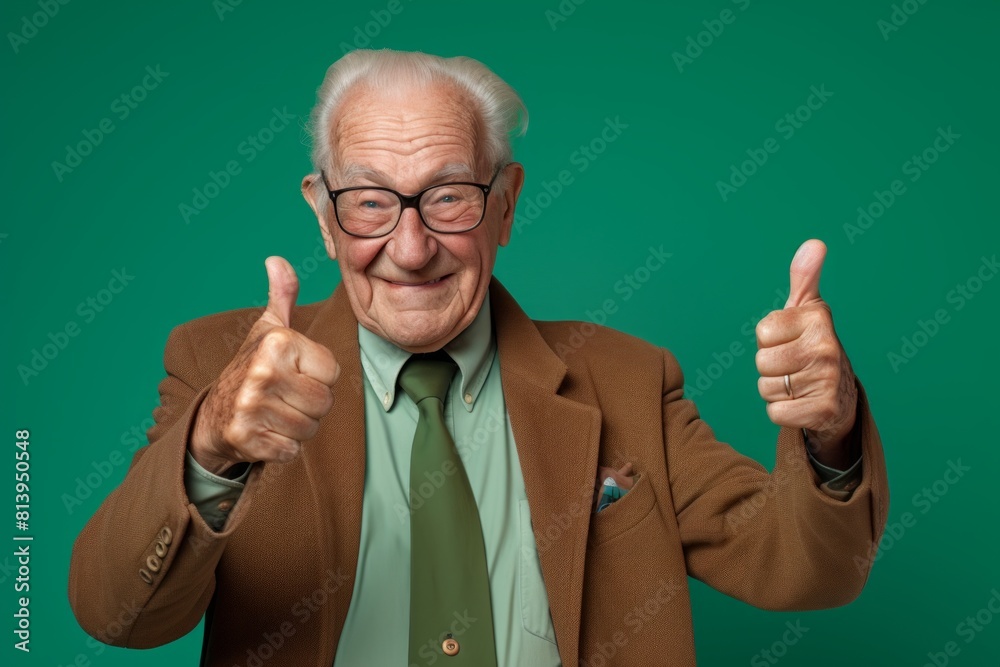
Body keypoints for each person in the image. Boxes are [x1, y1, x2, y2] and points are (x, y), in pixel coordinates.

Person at [68, 49, 888, 667]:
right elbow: (118, 615)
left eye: (449, 195)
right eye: (370, 201)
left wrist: (833, 428)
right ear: (323, 215)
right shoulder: (220, 367)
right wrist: (213, 445)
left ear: (505, 204)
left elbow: (804, 569)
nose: (412, 246)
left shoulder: (629, 379)